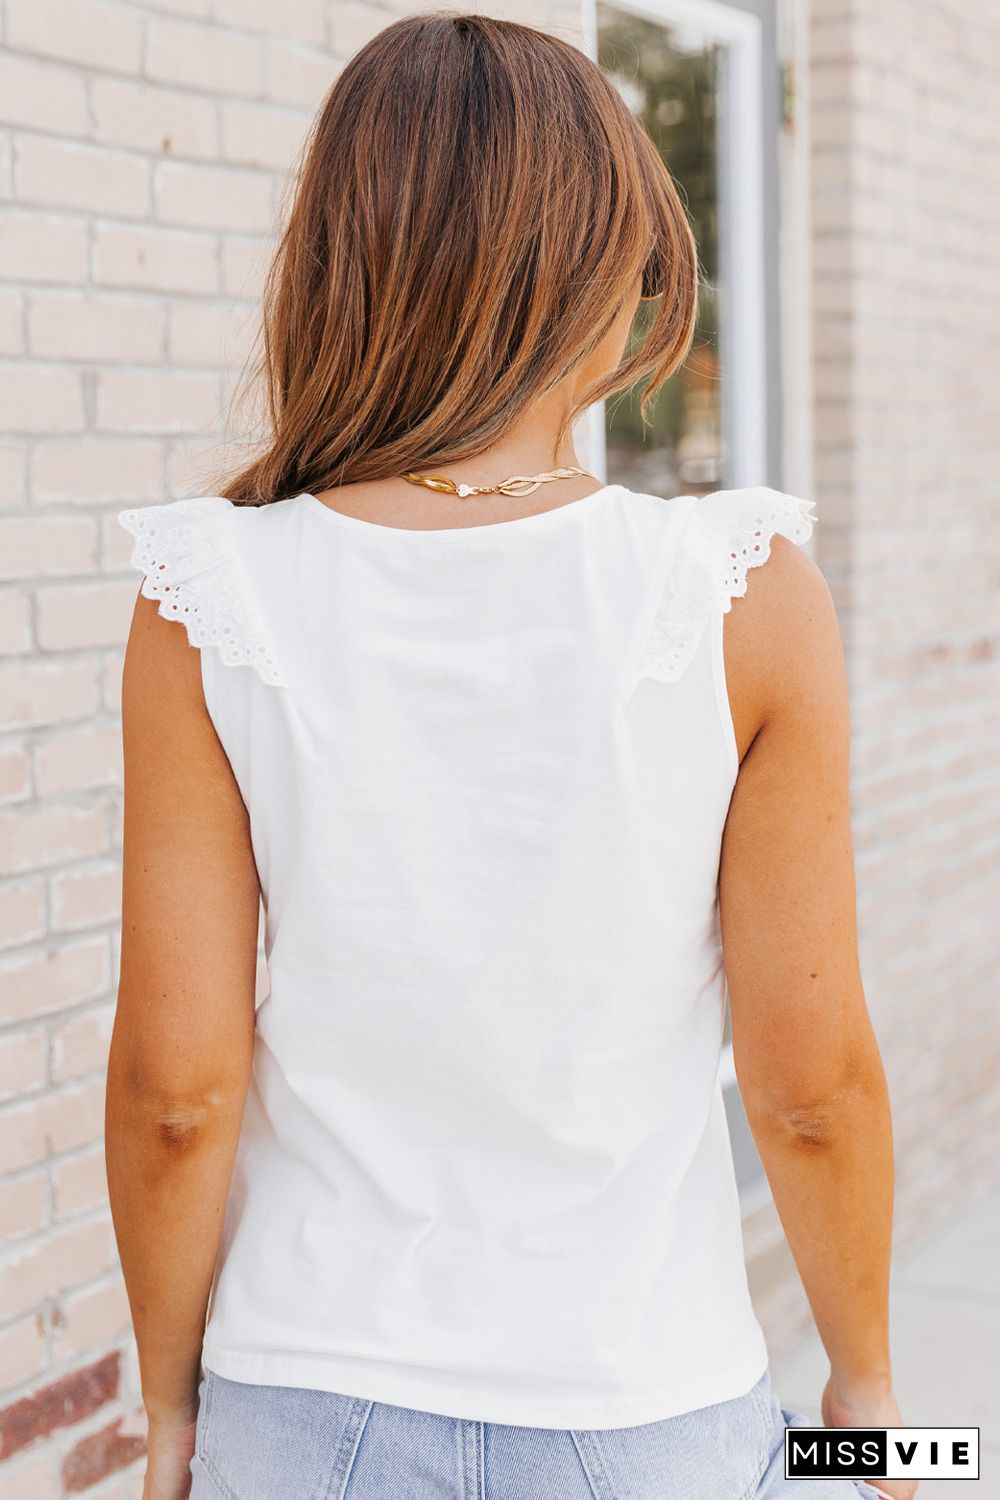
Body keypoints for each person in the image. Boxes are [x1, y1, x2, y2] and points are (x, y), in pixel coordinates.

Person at [106, 13, 912, 1500]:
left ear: (338, 262)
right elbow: (812, 1086)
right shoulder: (738, 594)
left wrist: (170, 1415)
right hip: (647, 1406)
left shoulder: (210, 598)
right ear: (605, 271)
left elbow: (175, 1089)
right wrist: (865, 1398)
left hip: (302, 1405)